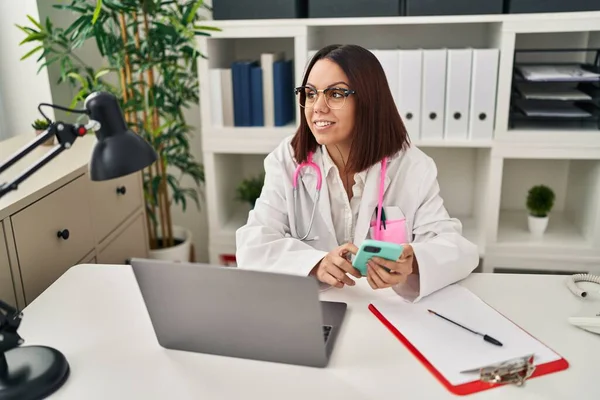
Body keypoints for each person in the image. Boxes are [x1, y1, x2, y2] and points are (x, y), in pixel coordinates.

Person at [235, 44, 479, 302]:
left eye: (336, 94)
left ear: (368, 100)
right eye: (310, 93)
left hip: (384, 308)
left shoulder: (411, 166)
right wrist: (316, 263)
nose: (317, 106)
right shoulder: (288, 160)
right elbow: (253, 242)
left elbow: (458, 248)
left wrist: (413, 261)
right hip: (312, 307)